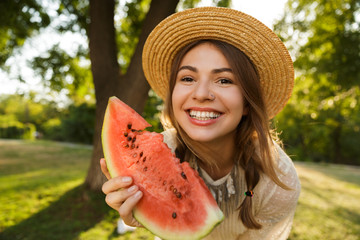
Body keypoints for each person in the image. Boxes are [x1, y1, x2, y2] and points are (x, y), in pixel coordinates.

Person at [100, 7, 301, 240]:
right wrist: (148, 214)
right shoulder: (161, 149)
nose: (202, 93)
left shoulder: (278, 182)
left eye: (224, 80)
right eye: (187, 78)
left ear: (247, 103)